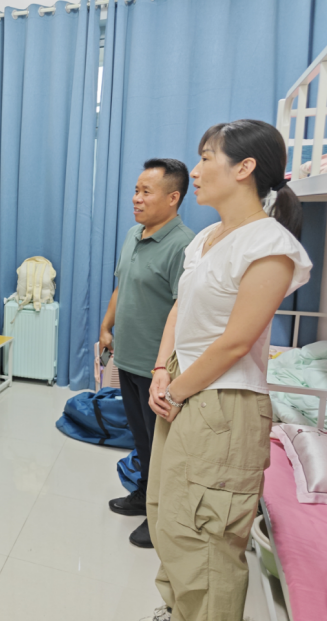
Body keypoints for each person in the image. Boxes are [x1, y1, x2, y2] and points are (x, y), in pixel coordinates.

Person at [143, 119, 312, 621]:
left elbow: (237, 340)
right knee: (169, 515)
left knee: (207, 538)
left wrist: (178, 389)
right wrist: (162, 368)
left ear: (244, 168)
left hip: (222, 400)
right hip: (183, 382)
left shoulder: (270, 246)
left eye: (205, 158)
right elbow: (180, 308)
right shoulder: (206, 238)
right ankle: (177, 609)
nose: (194, 172)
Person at [101, 159, 194, 549]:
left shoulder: (184, 245)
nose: (136, 199)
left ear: (173, 198)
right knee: (140, 439)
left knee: (162, 448)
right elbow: (122, 285)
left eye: (145, 192)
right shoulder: (133, 234)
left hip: (158, 369)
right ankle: (143, 495)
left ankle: (160, 518)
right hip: (128, 357)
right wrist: (106, 327)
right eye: (135, 190)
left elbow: (183, 311)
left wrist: (165, 367)